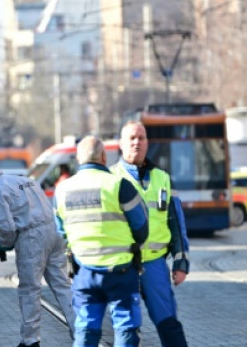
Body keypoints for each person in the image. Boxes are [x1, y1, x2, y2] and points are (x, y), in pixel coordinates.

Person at [0, 159, 76, 347]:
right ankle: (81, 330)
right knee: (62, 285)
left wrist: (4, 244)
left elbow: (6, 227)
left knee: (29, 290)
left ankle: (30, 340)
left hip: (32, 237)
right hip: (53, 232)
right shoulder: (23, 179)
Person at [54, 136, 149, 347]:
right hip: (121, 270)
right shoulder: (119, 185)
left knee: (87, 326)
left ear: (78, 158)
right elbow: (141, 226)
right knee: (125, 325)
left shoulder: (62, 190)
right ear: (104, 157)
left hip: (84, 271)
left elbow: (61, 232)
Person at [109, 122, 190, 347]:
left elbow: (176, 222)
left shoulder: (162, 178)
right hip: (124, 265)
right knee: (126, 329)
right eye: (132, 138)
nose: (137, 142)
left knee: (169, 323)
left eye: (141, 138)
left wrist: (181, 262)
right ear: (121, 144)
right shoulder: (110, 179)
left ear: (147, 143)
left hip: (154, 264)